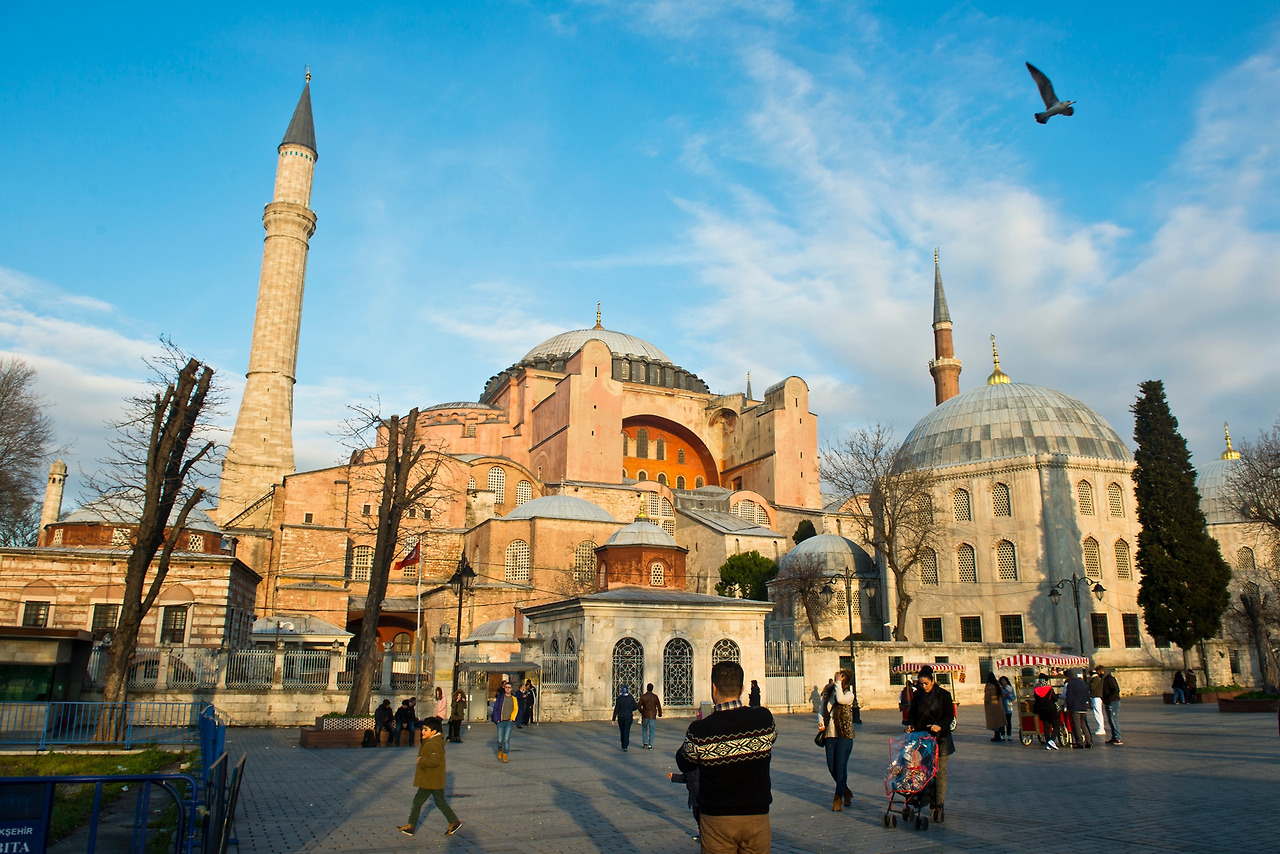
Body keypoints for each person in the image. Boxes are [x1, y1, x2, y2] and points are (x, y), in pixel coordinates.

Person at [677, 660, 776, 854]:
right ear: (742, 689)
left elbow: (685, 762)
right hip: (756, 815)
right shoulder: (763, 720)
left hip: (717, 818)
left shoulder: (700, 731)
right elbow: (772, 739)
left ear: (714, 688)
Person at [397, 716, 463, 837]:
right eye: (423, 729)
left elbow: (434, 761)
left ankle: (412, 826)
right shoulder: (430, 741)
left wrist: (421, 760)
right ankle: (453, 822)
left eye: (426, 730)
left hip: (432, 780)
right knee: (432, 802)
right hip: (430, 779)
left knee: (426, 802)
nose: (422, 732)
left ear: (434, 732)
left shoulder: (434, 744)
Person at [906, 664, 953, 824]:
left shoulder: (943, 695)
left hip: (941, 738)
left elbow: (949, 716)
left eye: (926, 683)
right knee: (923, 770)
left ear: (932, 681)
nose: (924, 687)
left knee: (940, 771)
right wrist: (911, 725)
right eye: (921, 684)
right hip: (923, 738)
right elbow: (912, 714)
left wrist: (940, 725)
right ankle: (922, 798)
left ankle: (939, 803)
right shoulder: (917, 696)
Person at [818, 669, 856, 812]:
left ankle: (837, 797)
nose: (838, 677)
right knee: (831, 767)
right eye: (838, 675)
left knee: (840, 768)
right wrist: (820, 721)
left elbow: (840, 700)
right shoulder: (828, 692)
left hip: (844, 736)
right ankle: (846, 790)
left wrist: (838, 684)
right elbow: (822, 709)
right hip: (830, 734)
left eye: (842, 676)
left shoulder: (849, 695)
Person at [668, 766, 701, 840]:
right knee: (696, 814)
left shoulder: (702, 767)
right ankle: (702, 832)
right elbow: (685, 778)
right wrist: (674, 776)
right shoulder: (690, 768)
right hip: (694, 795)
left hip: (703, 795)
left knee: (702, 816)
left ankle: (706, 833)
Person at [1063, 668, 1093, 748]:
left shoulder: (1070, 684)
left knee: (1077, 725)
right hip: (1083, 707)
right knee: (1084, 724)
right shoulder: (1082, 682)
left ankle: (1080, 742)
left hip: (1075, 707)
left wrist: (1068, 705)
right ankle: (1089, 741)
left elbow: (1069, 696)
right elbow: (1087, 694)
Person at [1031, 674, 1062, 750]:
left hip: (1042, 710)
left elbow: (1036, 700)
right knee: (1056, 726)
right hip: (1051, 709)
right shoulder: (1049, 688)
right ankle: (1051, 740)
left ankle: (1048, 743)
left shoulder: (1036, 689)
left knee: (1046, 727)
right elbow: (1055, 699)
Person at [491, 680, 519, 761]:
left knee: (506, 739)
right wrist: (496, 719)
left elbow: (516, 709)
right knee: (500, 740)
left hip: (508, 721)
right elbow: (495, 708)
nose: (508, 689)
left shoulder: (514, 698)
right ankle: (500, 749)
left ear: (511, 689)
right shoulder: (501, 697)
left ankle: (505, 754)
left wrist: (512, 718)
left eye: (509, 687)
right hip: (500, 721)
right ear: (504, 688)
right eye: (506, 687)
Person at [1098, 665, 1123, 745]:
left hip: (1113, 701)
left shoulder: (1109, 679)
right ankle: (1114, 737)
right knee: (1111, 720)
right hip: (1109, 701)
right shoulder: (1104, 679)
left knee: (1113, 719)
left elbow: (1116, 690)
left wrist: (1109, 699)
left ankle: (1117, 738)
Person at [613, 685, 638, 751]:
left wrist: (613, 718)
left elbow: (616, 709)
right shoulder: (630, 698)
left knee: (622, 731)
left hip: (621, 716)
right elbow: (635, 706)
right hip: (628, 716)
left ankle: (623, 743)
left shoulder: (619, 698)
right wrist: (631, 709)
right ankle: (625, 745)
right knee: (627, 731)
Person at [638, 683, 663, 749]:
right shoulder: (655, 697)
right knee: (652, 730)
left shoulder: (643, 696)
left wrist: (642, 711)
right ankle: (650, 745)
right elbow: (658, 706)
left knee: (644, 729)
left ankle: (645, 743)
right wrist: (660, 713)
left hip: (645, 715)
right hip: (652, 715)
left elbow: (639, 706)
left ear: (647, 688)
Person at [983, 671, 1005, 742]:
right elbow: (1002, 694)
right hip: (999, 704)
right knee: (1000, 720)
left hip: (992, 705)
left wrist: (986, 703)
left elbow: (987, 696)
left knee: (994, 721)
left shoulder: (989, 685)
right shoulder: (998, 684)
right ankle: (1002, 734)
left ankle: (997, 735)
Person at [1088, 666, 1107, 736]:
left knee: (1098, 712)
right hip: (1095, 697)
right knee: (1097, 712)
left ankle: (1101, 728)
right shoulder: (1096, 679)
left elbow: (1092, 687)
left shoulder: (1095, 679)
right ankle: (1101, 727)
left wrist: (1089, 683)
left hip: (1096, 697)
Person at [999, 676, 1016, 741]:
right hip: (1001, 707)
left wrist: (1007, 694)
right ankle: (1002, 734)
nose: (1003, 682)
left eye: (1004, 680)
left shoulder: (1009, 689)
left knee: (1008, 722)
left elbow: (1013, 698)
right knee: (1002, 722)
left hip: (1008, 707)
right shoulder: (1000, 689)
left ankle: (1009, 734)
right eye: (1001, 681)